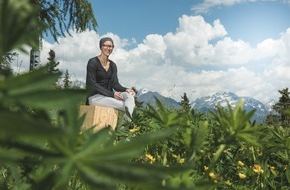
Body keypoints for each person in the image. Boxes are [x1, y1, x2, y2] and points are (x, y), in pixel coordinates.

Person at [86, 37, 135, 121]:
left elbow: (115, 84)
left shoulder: (113, 65)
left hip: (109, 97)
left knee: (129, 97)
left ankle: (124, 127)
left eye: (110, 46)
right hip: (95, 97)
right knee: (128, 106)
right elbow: (92, 84)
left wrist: (126, 89)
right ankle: (125, 129)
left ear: (113, 48)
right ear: (101, 47)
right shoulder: (93, 62)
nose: (108, 48)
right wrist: (112, 95)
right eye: (105, 46)